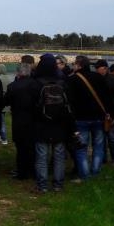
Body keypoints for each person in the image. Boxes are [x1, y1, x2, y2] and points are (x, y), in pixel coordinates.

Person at [32, 54, 75, 192]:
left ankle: (42, 185)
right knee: (59, 156)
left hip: (41, 124)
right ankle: (58, 185)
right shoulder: (62, 82)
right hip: (60, 124)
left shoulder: (36, 83)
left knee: (41, 157)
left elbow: (32, 105)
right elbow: (69, 105)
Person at [66, 56, 111, 181]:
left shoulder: (72, 80)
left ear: (79, 65)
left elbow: (70, 101)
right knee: (98, 146)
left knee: (81, 148)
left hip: (81, 118)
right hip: (98, 117)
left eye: (74, 64)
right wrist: (108, 112)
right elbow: (106, 97)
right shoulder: (98, 77)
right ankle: (95, 171)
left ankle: (85, 175)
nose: (73, 66)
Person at [4, 63, 38, 180]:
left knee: (21, 148)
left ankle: (22, 172)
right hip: (34, 119)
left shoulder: (13, 86)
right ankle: (33, 171)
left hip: (18, 119)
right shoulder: (36, 85)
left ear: (18, 73)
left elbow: (6, 101)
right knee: (32, 147)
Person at [0, 63, 12, 145]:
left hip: (0, 102)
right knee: (0, 119)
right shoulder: (9, 78)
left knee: (1, 121)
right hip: (7, 102)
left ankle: (4, 138)